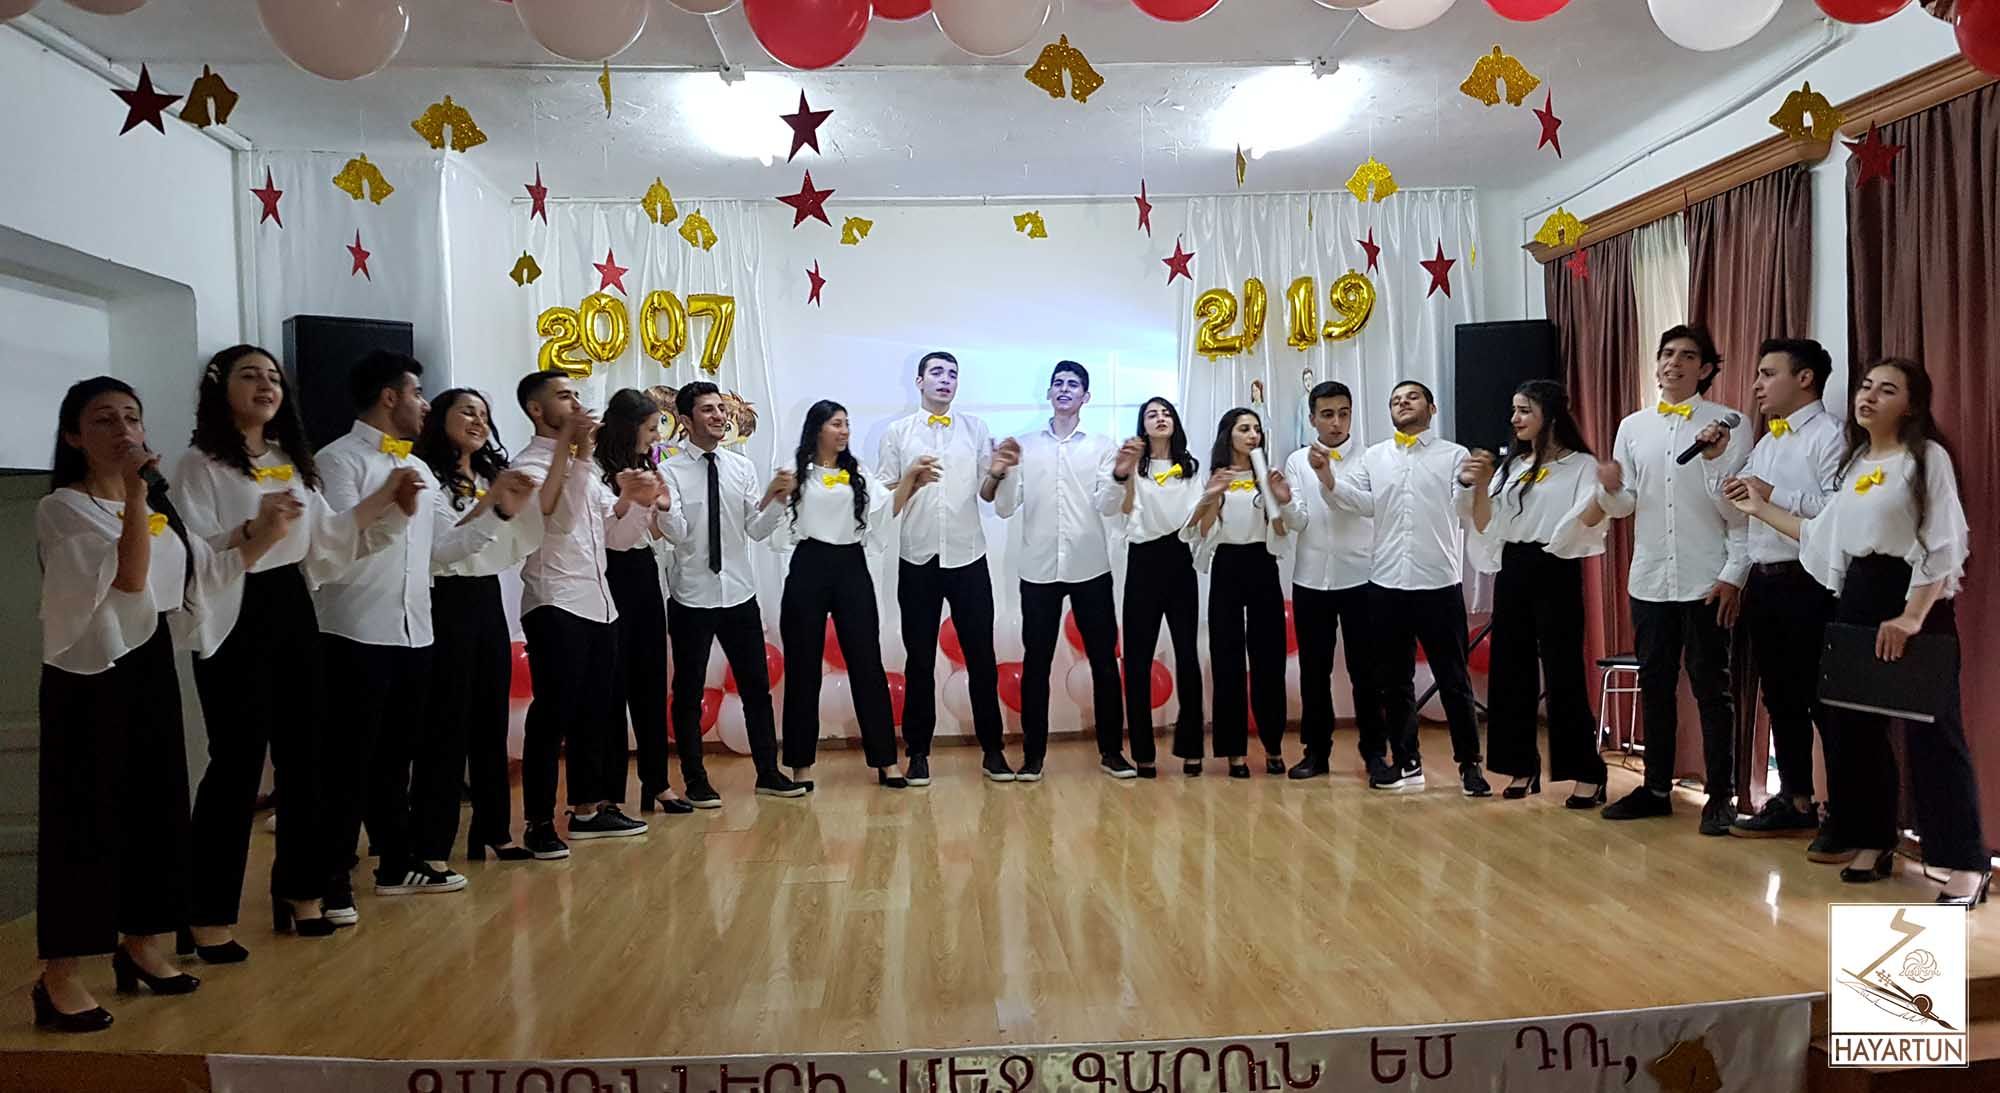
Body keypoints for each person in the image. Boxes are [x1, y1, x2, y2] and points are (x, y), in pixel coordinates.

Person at [34, 378, 295, 1031]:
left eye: (132, 417)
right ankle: (61, 973)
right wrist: (134, 497)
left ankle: (142, 941)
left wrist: (262, 532)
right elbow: (127, 577)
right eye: (104, 420)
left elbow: (201, 570)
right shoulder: (62, 507)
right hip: (87, 670)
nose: (124, 431)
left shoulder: (155, 504)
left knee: (158, 802)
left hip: (147, 659)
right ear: (73, 437)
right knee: (85, 815)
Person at [173, 345, 409, 959]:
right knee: (236, 763)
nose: (266, 386)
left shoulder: (286, 459)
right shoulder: (199, 464)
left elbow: (328, 534)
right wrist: (253, 531)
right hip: (235, 604)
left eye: (274, 377)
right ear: (219, 387)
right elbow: (187, 552)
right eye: (250, 375)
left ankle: (302, 891)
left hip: (290, 603)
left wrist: (390, 499)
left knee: (307, 759)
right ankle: (207, 914)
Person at [1723, 358, 1986, 907]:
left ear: (1910, 406)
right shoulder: (1857, 461)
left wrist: (1911, 617)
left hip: (1912, 600)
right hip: (1858, 598)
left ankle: (1964, 862)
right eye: (1866, 386)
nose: (1868, 396)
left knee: (1933, 734)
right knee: (1854, 730)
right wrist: (1760, 508)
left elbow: (1943, 542)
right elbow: (1821, 535)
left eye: (1887, 390)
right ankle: (1873, 837)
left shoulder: (1926, 458)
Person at [314, 352, 522, 919]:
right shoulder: (338, 459)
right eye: (418, 393)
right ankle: (330, 876)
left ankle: (396, 863)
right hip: (355, 627)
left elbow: (440, 552)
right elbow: (331, 549)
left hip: (415, 629)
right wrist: (388, 504)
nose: (425, 405)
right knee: (349, 761)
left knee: (397, 757)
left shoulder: (421, 470)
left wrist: (496, 513)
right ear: (390, 397)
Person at [1587, 325, 1749, 835]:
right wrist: (1610, 489)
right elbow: (1626, 504)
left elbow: (1738, 506)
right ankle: (1656, 788)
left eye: (1687, 356)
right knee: (1654, 685)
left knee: (1712, 688)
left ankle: (1721, 796)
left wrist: (1734, 574)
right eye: (1667, 354)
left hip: (1708, 578)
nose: (1673, 363)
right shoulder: (1633, 426)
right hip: (1651, 578)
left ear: (1706, 368)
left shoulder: (1730, 423)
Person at [512, 374, 673, 859]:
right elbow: (558, 519)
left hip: (599, 602)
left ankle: (587, 809)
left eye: (576, 396)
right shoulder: (530, 465)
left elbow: (614, 538)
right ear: (537, 410)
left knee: (595, 712)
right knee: (553, 714)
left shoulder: (584, 464)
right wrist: (580, 453)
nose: (576, 404)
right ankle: (539, 821)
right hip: (554, 599)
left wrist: (636, 502)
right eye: (564, 397)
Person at [1707, 340, 1845, 855]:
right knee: (1780, 696)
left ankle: (1843, 812)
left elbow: (1838, 510)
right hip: (1765, 582)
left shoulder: (1831, 435)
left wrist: (1772, 494)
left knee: (1823, 701)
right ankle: (1795, 799)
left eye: (1768, 374)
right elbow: (1739, 515)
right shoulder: (1766, 442)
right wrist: (1720, 470)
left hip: (1810, 581)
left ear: (1805, 378)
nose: (1757, 384)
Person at [1326, 380, 1490, 797]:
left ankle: (1470, 767)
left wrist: (1469, 483)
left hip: (1438, 582)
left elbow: (1462, 511)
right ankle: (1407, 763)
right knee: (1394, 682)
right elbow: (1361, 503)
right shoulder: (1375, 456)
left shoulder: (1454, 455)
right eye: (1395, 400)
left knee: (1453, 679)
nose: (1403, 403)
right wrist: (1327, 478)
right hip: (1386, 584)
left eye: (1412, 397)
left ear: (1431, 408)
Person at [414, 388, 547, 862]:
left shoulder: (491, 473)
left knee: (491, 720)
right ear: (440, 418)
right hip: (443, 599)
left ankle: (494, 831)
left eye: (484, 415)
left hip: (486, 596)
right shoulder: (425, 475)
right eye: (467, 411)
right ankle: (432, 842)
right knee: (447, 724)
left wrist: (512, 497)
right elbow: (444, 544)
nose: (478, 421)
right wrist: (494, 502)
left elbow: (522, 533)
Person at [1463, 380, 1609, 806]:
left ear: (1552, 416)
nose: (1515, 419)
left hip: (1556, 566)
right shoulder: (1514, 465)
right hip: (1514, 568)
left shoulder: (1581, 465)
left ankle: (1587, 772)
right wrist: (1481, 485)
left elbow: (1588, 519)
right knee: (1511, 670)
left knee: (1563, 672)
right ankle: (1520, 766)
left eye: (1524, 410)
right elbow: (1486, 524)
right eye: (1514, 410)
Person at [659, 382, 806, 803]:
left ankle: (768, 772)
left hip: (739, 593)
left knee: (755, 687)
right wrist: (664, 508)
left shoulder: (741, 467)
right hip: (691, 595)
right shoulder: (670, 471)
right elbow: (677, 535)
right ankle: (695, 779)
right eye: (708, 410)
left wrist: (777, 499)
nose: (719, 416)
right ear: (685, 420)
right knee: (688, 692)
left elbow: (755, 530)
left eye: (721, 409)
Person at [984, 361, 1124, 781]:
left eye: (1073, 384)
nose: (1064, 389)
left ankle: (1112, 752)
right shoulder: (1024, 446)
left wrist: (1120, 475)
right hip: (1038, 569)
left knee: (1104, 662)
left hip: (1090, 565)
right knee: (1037, 664)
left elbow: (1108, 506)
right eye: (1058, 383)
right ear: (1049, 393)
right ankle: (1033, 757)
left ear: (1086, 396)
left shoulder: (1102, 446)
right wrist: (1003, 470)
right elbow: (1004, 507)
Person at [876, 351, 1004, 785]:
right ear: (919, 381)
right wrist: (910, 479)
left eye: (952, 374)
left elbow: (987, 493)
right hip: (918, 557)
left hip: (968, 556)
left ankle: (993, 750)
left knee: (981, 658)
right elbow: (885, 500)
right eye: (936, 372)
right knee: (919, 660)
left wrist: (998, 472)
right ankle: (918, 753)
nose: (945, 379)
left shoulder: (976, 429)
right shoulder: (897, 433)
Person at [774, 400, 908, 791]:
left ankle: (886, 761)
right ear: (817, 428)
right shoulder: (795, 471)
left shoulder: (857, 471)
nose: (845, 430)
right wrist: (777, 494)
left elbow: (885, 510)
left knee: (867, 664)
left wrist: (912, 480)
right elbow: (773, 521)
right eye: (836, 423)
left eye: (847, 423)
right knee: (803, 667)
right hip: (809, 564)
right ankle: (800, 765)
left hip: (851, 566)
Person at [593, 389, 696, 817]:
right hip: (608, 576)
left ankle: (658, 782)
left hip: (643, 574)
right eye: (651, 428)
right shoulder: (596, 470)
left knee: (652, 682)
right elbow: (612, 537)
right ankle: (608, 792)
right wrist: (633, 500)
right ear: (628, 427)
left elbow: (667, 532)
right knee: (612, 686)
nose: (656, 437)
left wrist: (664, 506)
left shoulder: (649, 468)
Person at [1180, 407, 1298, 778]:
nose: (1252, 435)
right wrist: (1212, 495)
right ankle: (1234, 752)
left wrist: (1278, 497)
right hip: (1227, 566)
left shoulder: (1268, 475)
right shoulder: (1217, 477)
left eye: (1256, 429)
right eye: (1244, 429)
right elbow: (1202, 532)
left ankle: (1273, 744)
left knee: (1269, 658)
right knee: (1227, 659)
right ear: (1228, 435)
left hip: (1262, 564)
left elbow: (1282, 530)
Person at [1280, 381, 1388, 782]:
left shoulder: (1371, 458)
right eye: (1327, 414)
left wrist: (1329, 480)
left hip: (1361, 577)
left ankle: (1375, 753)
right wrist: (1284, 501)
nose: (1337, 422)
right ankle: (1316, 752)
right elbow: (1299, 522)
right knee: (1314, 672)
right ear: (1312, 419)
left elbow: (1370, 507)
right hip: (1311, 579)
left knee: (1367, 673)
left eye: (1344, 413)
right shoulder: (1297, 460)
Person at [1107, 397, 1203, 778]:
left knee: (1188, 656)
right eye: (1152, 414)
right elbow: (1126, 513)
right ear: (1142, 425)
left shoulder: (1190, 467)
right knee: (1137, 659)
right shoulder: (1134, 465)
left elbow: (1196, 518)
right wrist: (1129, 473)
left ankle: (1192, 748)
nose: (1160, 418)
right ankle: (1143, 753)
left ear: (1175, 422)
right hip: (1143, 561)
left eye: (1166, 413)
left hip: (1179, 559)